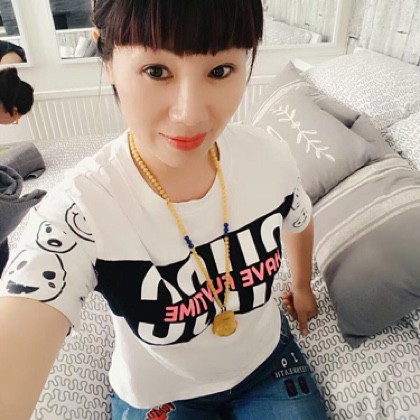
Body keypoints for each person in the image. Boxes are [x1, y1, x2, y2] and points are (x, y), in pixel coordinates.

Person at [0, 1, 326, 419]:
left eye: (220, 71)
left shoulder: (270, 158)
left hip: (268, 366)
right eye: (156, 71)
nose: (189, 114)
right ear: (108, 58)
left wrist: (302, 286)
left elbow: (298, 218)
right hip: (159, 393)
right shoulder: (80, 209)